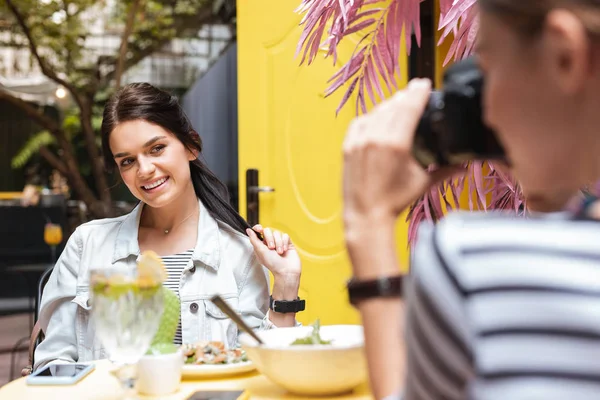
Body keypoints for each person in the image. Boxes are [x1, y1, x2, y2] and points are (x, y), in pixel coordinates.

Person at [342, 1, 600, 399]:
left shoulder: (468, 259)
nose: (489, 113)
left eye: (489, 67)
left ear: (564, 56)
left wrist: (368, 222)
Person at [34, 83, 302, 370]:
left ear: (191, 146)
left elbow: (265, 368)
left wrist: (286, 284)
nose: (145, 169)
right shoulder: (86, 244)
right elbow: (52, 365)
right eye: (127, 161)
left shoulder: (240, 252)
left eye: (157, 148)